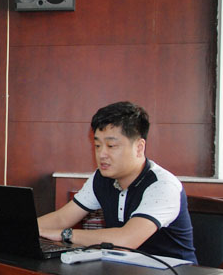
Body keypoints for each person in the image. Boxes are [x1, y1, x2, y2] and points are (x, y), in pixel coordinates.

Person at [38, 101, 197, 263]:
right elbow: (62, 219)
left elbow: (125, 241)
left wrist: (65, 234)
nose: (102, 154)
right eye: (97, 145)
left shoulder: (162, 185)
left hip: (172, 274)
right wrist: (25, 229)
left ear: (139, 147)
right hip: (124, 270)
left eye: (111, 146)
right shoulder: (101, 177)